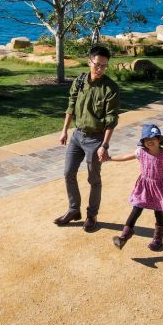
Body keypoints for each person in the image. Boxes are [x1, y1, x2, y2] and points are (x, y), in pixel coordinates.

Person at [54, 44, 120, 232]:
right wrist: (64, 130)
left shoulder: (111, 88)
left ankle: (92, 215)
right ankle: (74, 210)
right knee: (68, 173)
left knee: (94, 180)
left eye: (104, 66)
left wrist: (104, 145)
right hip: (77, 135)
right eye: (97, 64)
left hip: (96, 139)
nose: (100, 69)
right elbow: (71, 106)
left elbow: (111, 119)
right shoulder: (80, 81)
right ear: (89, 61)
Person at [108, 124, 163, 250]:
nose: (149, 141)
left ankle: (158, 238)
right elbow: (124, 157)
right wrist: (110, 158)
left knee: (158, 212)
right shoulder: (141, 152)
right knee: (137, 208)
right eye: (146, 139)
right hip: (143, 186)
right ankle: (124, 237)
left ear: (159, 139)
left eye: (153, 138)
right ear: (143, 142)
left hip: (159, 187)